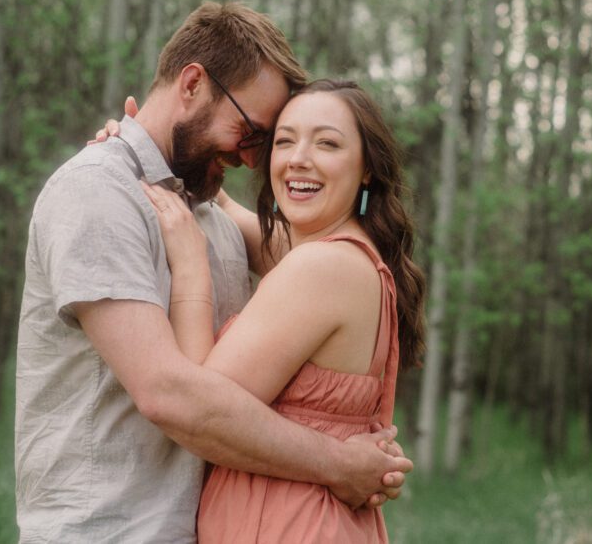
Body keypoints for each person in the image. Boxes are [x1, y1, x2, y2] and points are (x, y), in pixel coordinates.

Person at [15, 3, 411, 543]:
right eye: (254, 134)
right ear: (193, 83)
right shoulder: (96, 193)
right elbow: (169, 394)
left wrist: (165, 160)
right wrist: (340, 463)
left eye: (262, 143)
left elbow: (324, 260)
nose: (255, 160)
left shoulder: (206, 214)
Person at [138, 79, 426, 542]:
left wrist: (191, 268)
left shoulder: (322, 266)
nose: (298, 159)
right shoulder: (345, 256)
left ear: (367, 168)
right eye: (285, 140)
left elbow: (201, 408)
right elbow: (242, 220)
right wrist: (147, 148)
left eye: (327, 143)